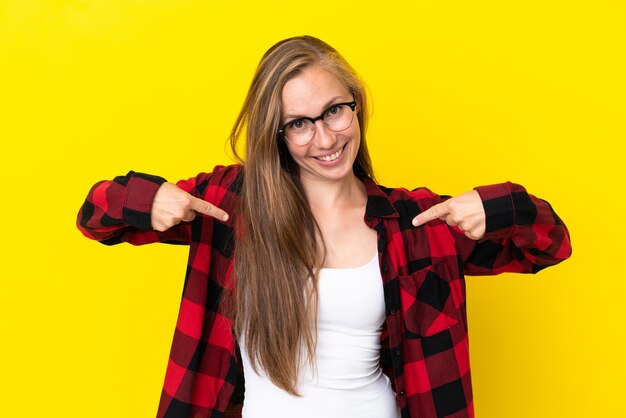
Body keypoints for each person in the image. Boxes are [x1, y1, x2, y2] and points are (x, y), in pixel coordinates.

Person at [76, 36, 572, 418]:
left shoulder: (415, 223)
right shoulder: (229, 205)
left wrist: (504, 208)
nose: (326, 137)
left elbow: (549, 246)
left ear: (355, 103)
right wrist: (148, 199)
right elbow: (94, 216)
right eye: (300, 123)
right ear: (277, 132)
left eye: (335, 110)